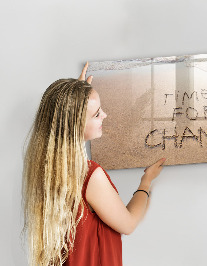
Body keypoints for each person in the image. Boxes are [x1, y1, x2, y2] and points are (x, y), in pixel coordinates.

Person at [22, 63, 166, 266]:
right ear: (76, 124)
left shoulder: (44, 167)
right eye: (97, 114)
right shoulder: (90, 176)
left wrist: (77, 96)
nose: (104, 116)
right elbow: (128, 223)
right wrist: (146, 182)